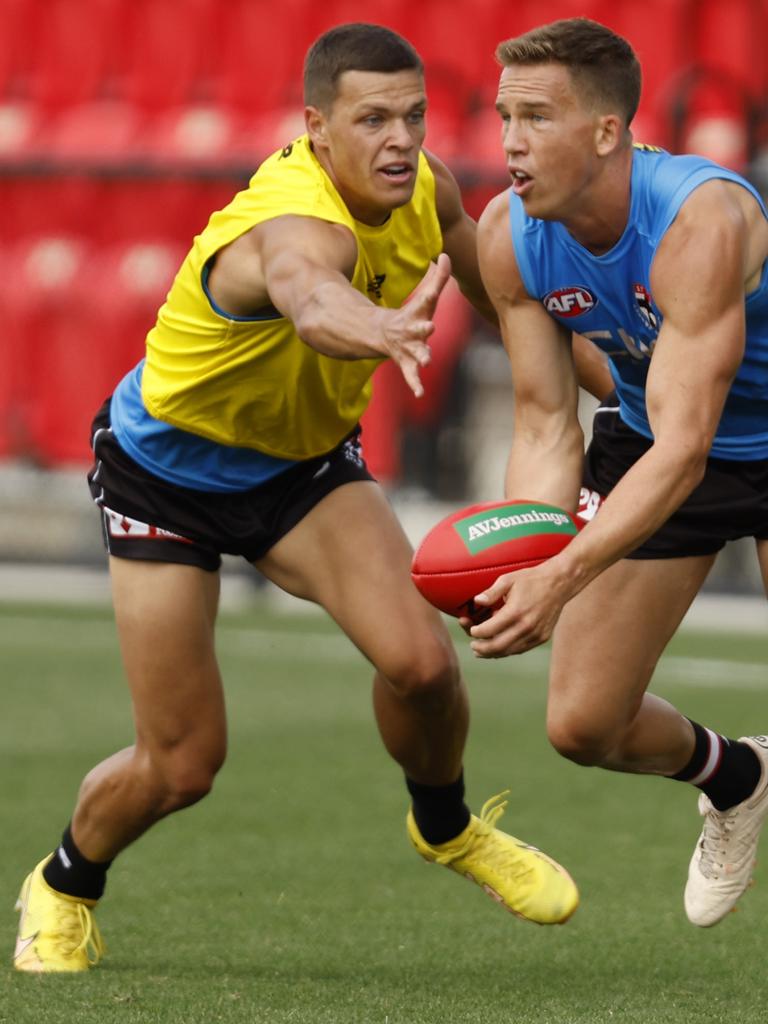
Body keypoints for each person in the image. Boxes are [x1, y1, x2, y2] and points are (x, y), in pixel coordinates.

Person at [12, 23, 593, 974]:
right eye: (372, 120)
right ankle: (64, 882)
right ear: (317, 128)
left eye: (413, 115)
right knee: (182, 763)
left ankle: (444, 829)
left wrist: (610, 378)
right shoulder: (291, 218)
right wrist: (376, 326)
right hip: (168, 476)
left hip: (298, 469)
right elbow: (309, 294)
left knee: (425, 670)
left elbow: (502, 298)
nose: (399, 140)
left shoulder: (431, 189)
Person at [471, 16, 768, 928]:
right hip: (654, 434)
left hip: (700, 438)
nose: (513, 141)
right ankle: (740, 776)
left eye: (537, 117)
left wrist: (563, 577)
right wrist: (527, 555)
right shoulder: (508, 234)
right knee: (583, 725)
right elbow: (544, 419)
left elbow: (688, 448)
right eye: (503, 116)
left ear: (608, 131)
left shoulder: (699, 219)